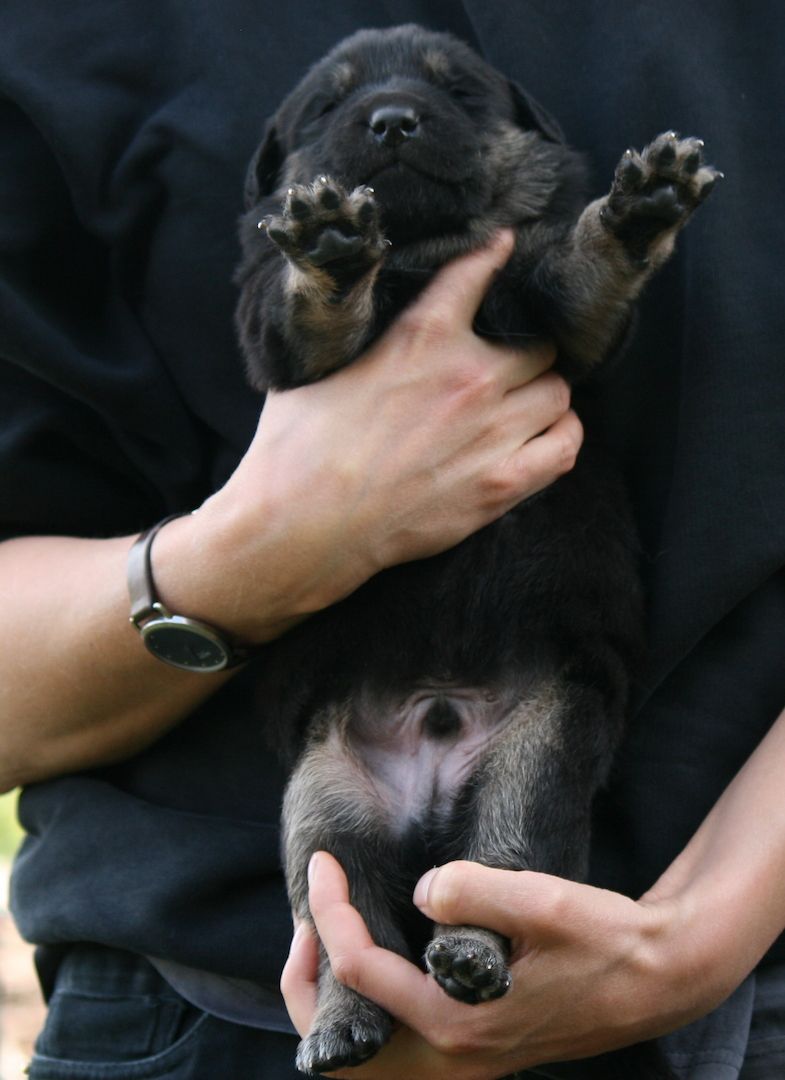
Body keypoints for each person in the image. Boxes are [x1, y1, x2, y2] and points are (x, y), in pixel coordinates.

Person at [1, 2, 783, 1078]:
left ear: (528, 135)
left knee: (544, 746)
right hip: (200, 1007)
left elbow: (575, 299)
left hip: (737, 978)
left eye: (453, 99)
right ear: (273, 177)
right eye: (332, 110)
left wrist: (701, 929)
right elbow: (297, 342)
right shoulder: (44, 39)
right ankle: (341, 990)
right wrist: (256, 545)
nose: (391, 119)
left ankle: (475, 934)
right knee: (327, 795)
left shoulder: (530, 248)